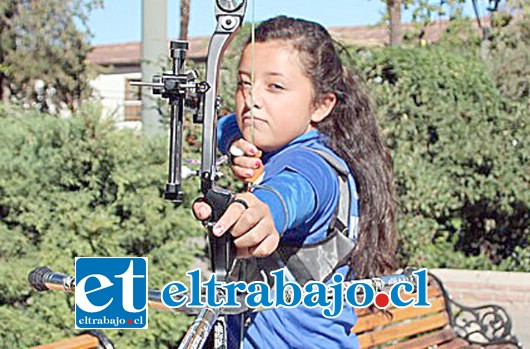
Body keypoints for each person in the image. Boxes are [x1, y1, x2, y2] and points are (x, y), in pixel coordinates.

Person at [193, 15, 397, 349]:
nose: (252, 99)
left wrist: (258, 211)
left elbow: (291, 193)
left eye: (275, 86)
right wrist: (235, 144)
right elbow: (225, 126)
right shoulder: (277, 145)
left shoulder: (314, 165)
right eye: (245, 83)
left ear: (320, 105)